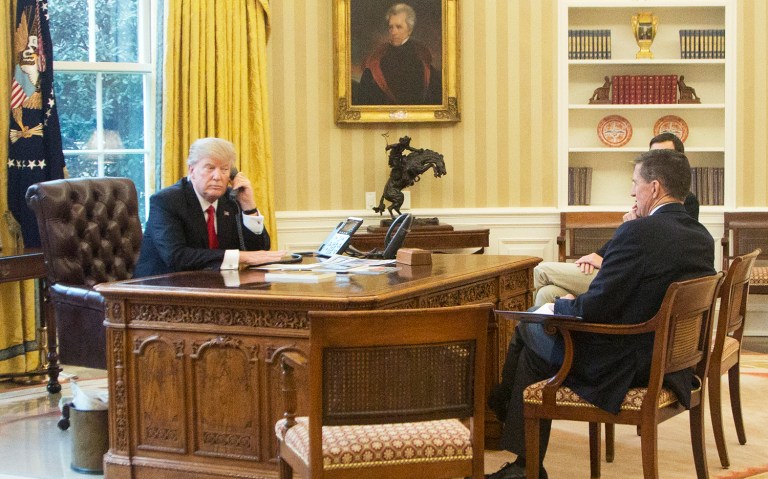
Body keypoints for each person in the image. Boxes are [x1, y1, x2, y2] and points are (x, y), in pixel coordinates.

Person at [485, 148, 716, 479]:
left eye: (635, 184)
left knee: (530, 326)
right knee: (538, 326)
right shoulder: (701, 237)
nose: (632, 191)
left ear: (654, 187)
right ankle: (518, 447)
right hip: (668, 360)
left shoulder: (639, 232)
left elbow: (595, 307)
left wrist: (562, 306)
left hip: (624, 361)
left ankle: (509, 424)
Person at [532, 132, 700, 306]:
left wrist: (605, 261)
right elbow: (633, 244)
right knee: (549, 293)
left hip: (627, 287)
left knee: (541, 271)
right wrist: (596, 255)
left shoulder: (680, 208)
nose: (632, 192)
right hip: (628, 279)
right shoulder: (702, 237)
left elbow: (652, 253)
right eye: (652, 155)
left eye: (662, 156)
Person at [134, 137, 285, 277]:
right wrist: (240, 256)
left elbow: (259, 252)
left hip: (214, 287)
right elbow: (177, 257)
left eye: (225, 169)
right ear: (192, 170)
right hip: (159, 291)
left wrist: (249, 207)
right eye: (210, 168)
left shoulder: (231, 200)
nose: (217, 176)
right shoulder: (166, 201)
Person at [355, 3, 442, 105]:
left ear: (409, 30)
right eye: (391, 27)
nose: (393, 32)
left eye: (399, 27)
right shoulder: (377, 59)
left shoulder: (422, 59)